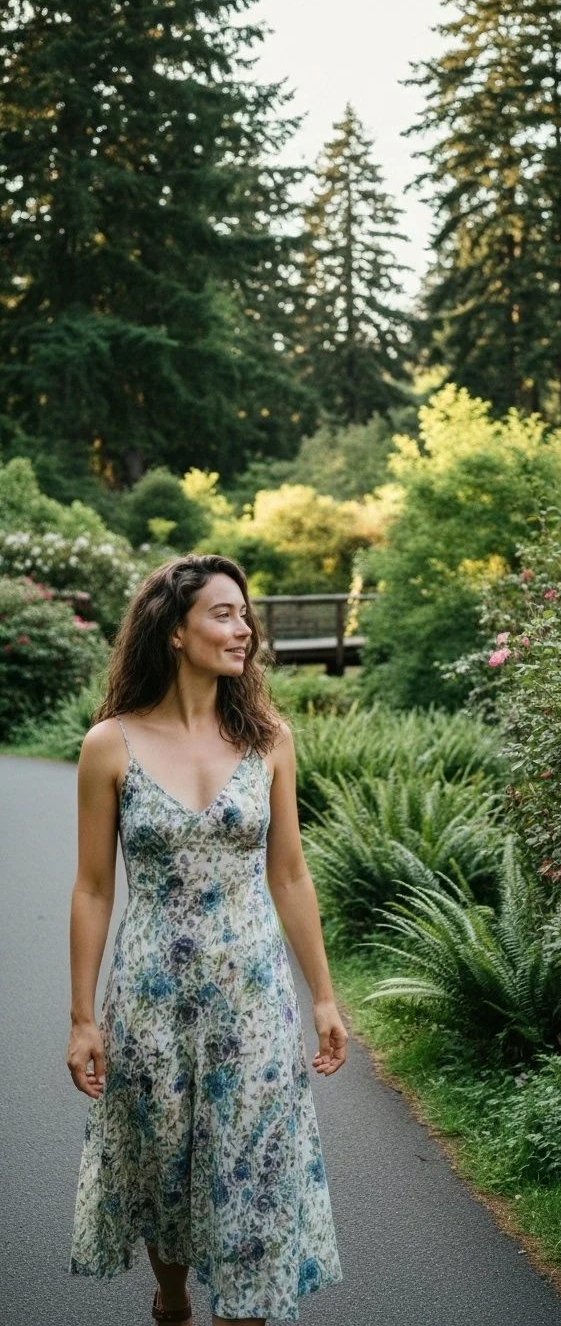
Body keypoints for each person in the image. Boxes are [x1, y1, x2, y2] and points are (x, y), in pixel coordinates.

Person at [66, 553, 347, 1325]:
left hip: (254, 999)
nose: (243, 628)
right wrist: (83, 1016)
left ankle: (239, 1309)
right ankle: (173, 1298)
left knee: (251, 1174)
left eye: (243, 613)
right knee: (165, 1168)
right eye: (222, 614)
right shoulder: (110, 745)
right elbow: (93, 887)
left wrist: (323, 995)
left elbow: (290, 875)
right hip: (151, 997)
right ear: (174, 632)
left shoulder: (270, 741)